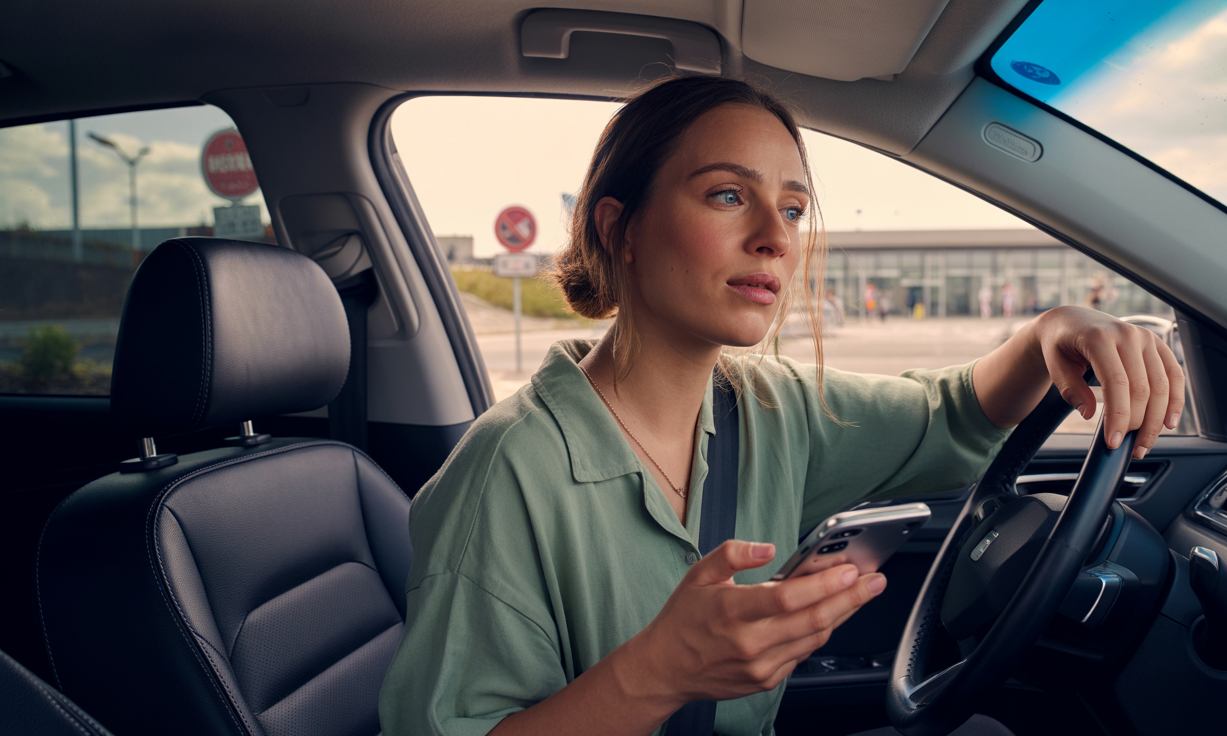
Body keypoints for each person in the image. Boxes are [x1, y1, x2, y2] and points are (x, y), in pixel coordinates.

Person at [380, 75, 1185, 736]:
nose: (776, 235)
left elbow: (951, 416)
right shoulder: (505, 474)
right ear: (621, 228)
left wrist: (1052, 330)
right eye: (728, 195)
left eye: (794, 209)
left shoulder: (770, 408)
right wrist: (655, 674)